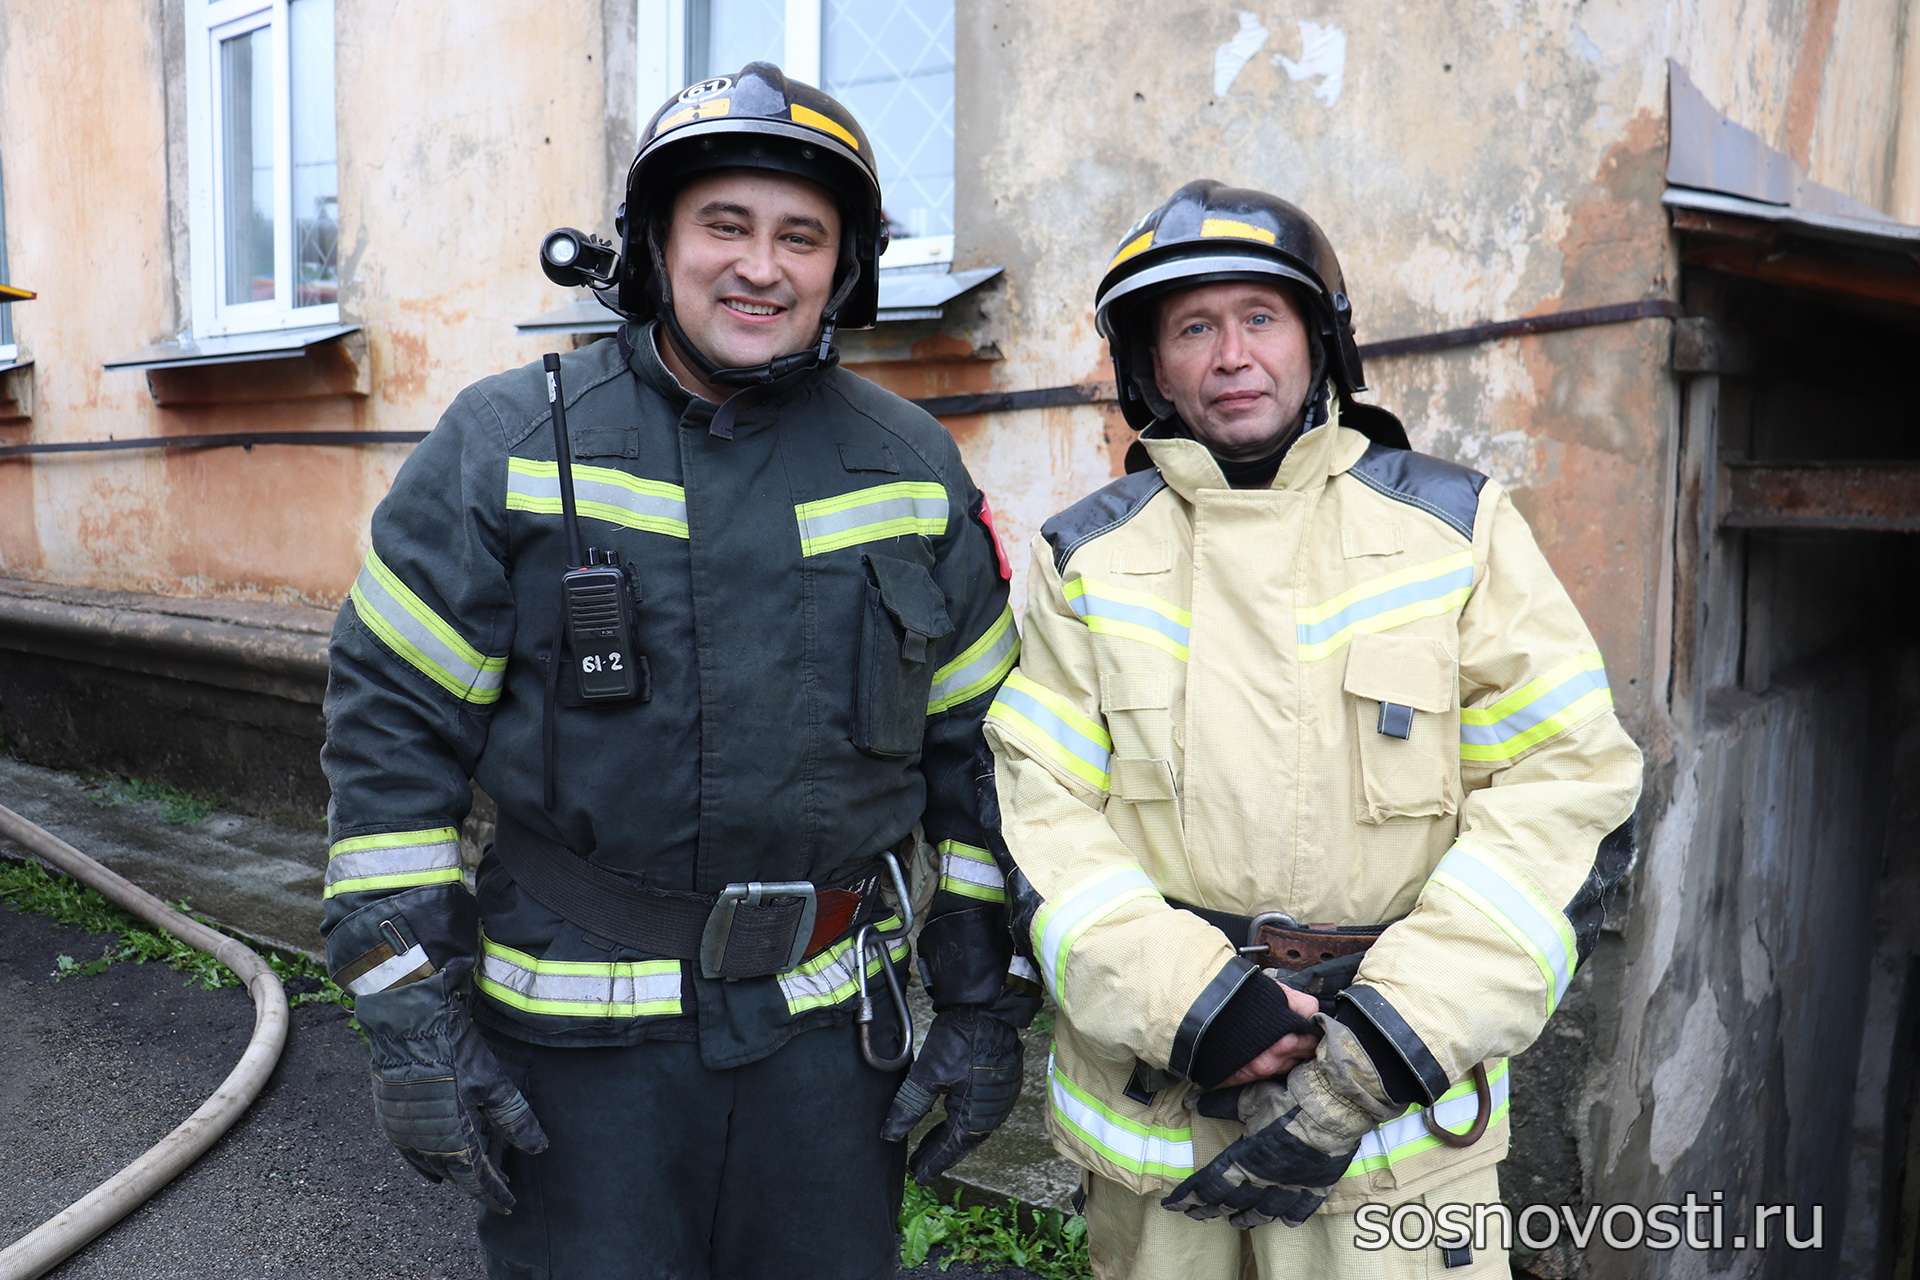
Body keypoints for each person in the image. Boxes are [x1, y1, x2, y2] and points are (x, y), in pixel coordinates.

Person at [318, 63, 1034, 1280]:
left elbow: (987, 761)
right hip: (577, 1055)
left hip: (829, 1048)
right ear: (655, 244)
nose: (761, 266)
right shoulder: (505, 444)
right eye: (725, 225)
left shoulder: (910, 466)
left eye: (800, 236)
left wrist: (980, 1007)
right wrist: (413, 1013)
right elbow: (391, 742)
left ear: (842, 271)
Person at [981, 179, 1643, 1278]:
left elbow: (1564, 787)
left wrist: (1384, 1040)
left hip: (1395, 1123)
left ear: (1320, 339)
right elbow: (1038, 815)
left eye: (1260, 317)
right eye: (1194, 326)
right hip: (1163, 1122)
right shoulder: (1083, 559)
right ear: (1152, 364)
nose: (1230, 354)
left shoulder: (1452, 529)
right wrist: (1195, 1003)